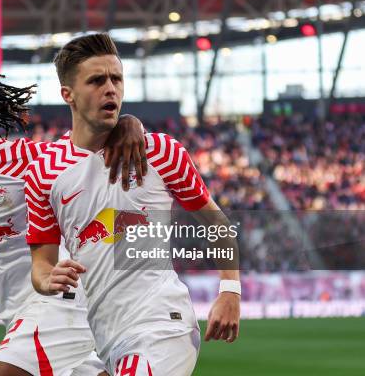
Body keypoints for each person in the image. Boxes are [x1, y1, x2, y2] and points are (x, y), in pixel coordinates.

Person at [0, 63, 148, 376]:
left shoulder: (27, 158)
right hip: (17, 312)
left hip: (56, 298)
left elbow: (90, 142)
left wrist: (129, 124)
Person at [26, 34, 241, 375]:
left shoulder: (161, 152)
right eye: (96, 80)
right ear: (67, 94)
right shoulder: (42, 172)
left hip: (161, 326)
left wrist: (230, 290)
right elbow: (40, 264)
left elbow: (216, 222)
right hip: (103, 337)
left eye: (116, 78)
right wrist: (48, 278)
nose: (110, 88)